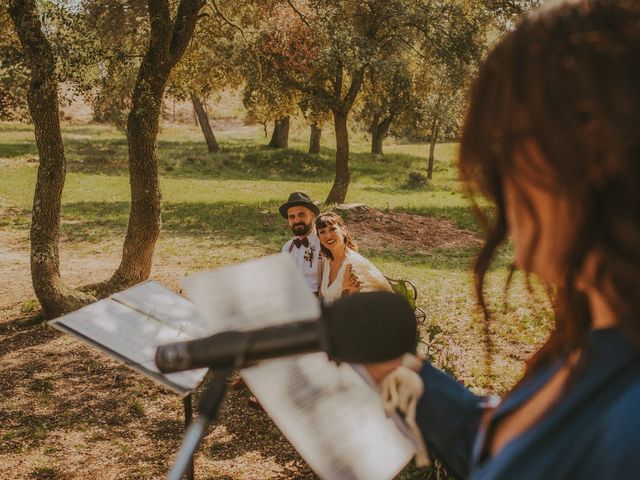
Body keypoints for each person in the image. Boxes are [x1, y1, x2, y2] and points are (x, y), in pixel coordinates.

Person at [367, 1, 640, 478]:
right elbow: (509, 449)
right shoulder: (589, 339)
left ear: (598, 153)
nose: (496, 185)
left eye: (508, 151)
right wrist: (403, 371)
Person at [315, 212, 391, 303]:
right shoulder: (327, 261)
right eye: (322, 232)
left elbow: (347, 306)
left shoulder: (352, 265)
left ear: (343, 231)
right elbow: (321, 296)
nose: (328, 235)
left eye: (332, 229)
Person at [279, 192, 322, 294]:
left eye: (301, 214)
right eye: (292, 217)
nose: (297, 220)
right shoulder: (287, 247)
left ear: (312, 216)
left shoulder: (324, 243)